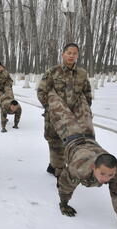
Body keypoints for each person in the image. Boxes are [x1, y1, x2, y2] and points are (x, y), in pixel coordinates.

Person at [47, 88, 117, 229]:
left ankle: (76, 90)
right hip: (72, 137)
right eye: (102, 174)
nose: (106, 178)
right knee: (59, 108)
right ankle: (53, 89)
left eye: (109, 175)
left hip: (89, 138)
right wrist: (63, 203)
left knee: (82, 105)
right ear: (93, 168)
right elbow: (65, 183)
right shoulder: (79, 168)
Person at [37, 43, 92, 177]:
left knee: (72, 142)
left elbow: (87, 93)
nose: (71, 56)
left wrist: (84, 111)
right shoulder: (53, 72)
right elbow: (41, 92)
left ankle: (57, 166)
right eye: (69, 53)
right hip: (55, 117)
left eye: (74, 53)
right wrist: (53, 109)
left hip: (74, 117)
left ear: (77, 56)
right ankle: (59, 172)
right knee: (55, 142)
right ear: (63, 55)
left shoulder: (82, 73)